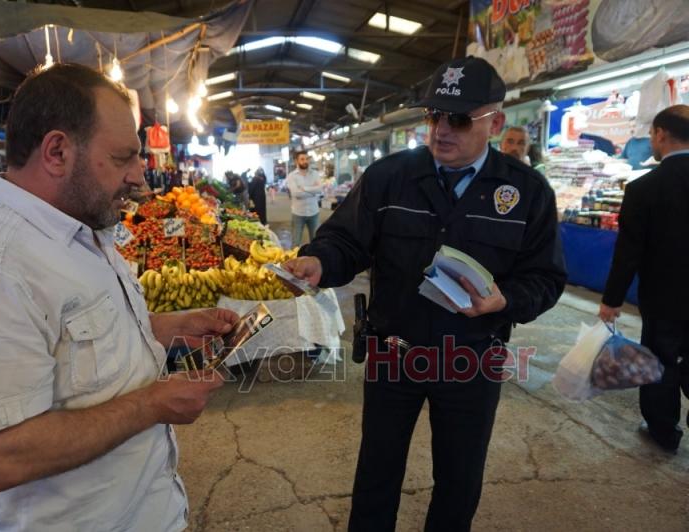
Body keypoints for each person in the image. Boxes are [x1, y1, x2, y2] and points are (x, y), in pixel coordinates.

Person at [0, 63, 238, 531]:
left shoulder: (82, 229)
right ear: (57, 151)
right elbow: (1, 456)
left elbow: (73, 338)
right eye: (123, 158)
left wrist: (170, 327)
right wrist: (154, 404)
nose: (139, 178)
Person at [284, 56, 566, 532]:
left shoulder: (525, 192)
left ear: (495, 123)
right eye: (433, 115)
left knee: (459, 478)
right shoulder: (389, 176)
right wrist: (319, 262)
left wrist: (506, 301)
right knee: (377, 470)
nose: (441, 130)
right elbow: (346, 242)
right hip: (395, 351)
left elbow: (545, 277)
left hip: (474, 359)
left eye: (458, 119)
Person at [599, 104, 689, 453]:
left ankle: (664, 431)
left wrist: (611, 300)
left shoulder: (644, 189)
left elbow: (629, 253)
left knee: (661, 362)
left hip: (664, 297)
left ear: (661, 135)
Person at [285, 149, 323, 247]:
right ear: (296, 161)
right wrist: (312, 191)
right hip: (298, 213)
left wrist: (304, 188)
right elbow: (296, 193)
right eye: (302, 159)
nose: (305, 161)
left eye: (306, 159)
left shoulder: (314, 174)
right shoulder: (291, 176)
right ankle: (295, 260)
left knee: (316, 242)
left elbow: (320, 189)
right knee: (296, 242)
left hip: (313, 212)